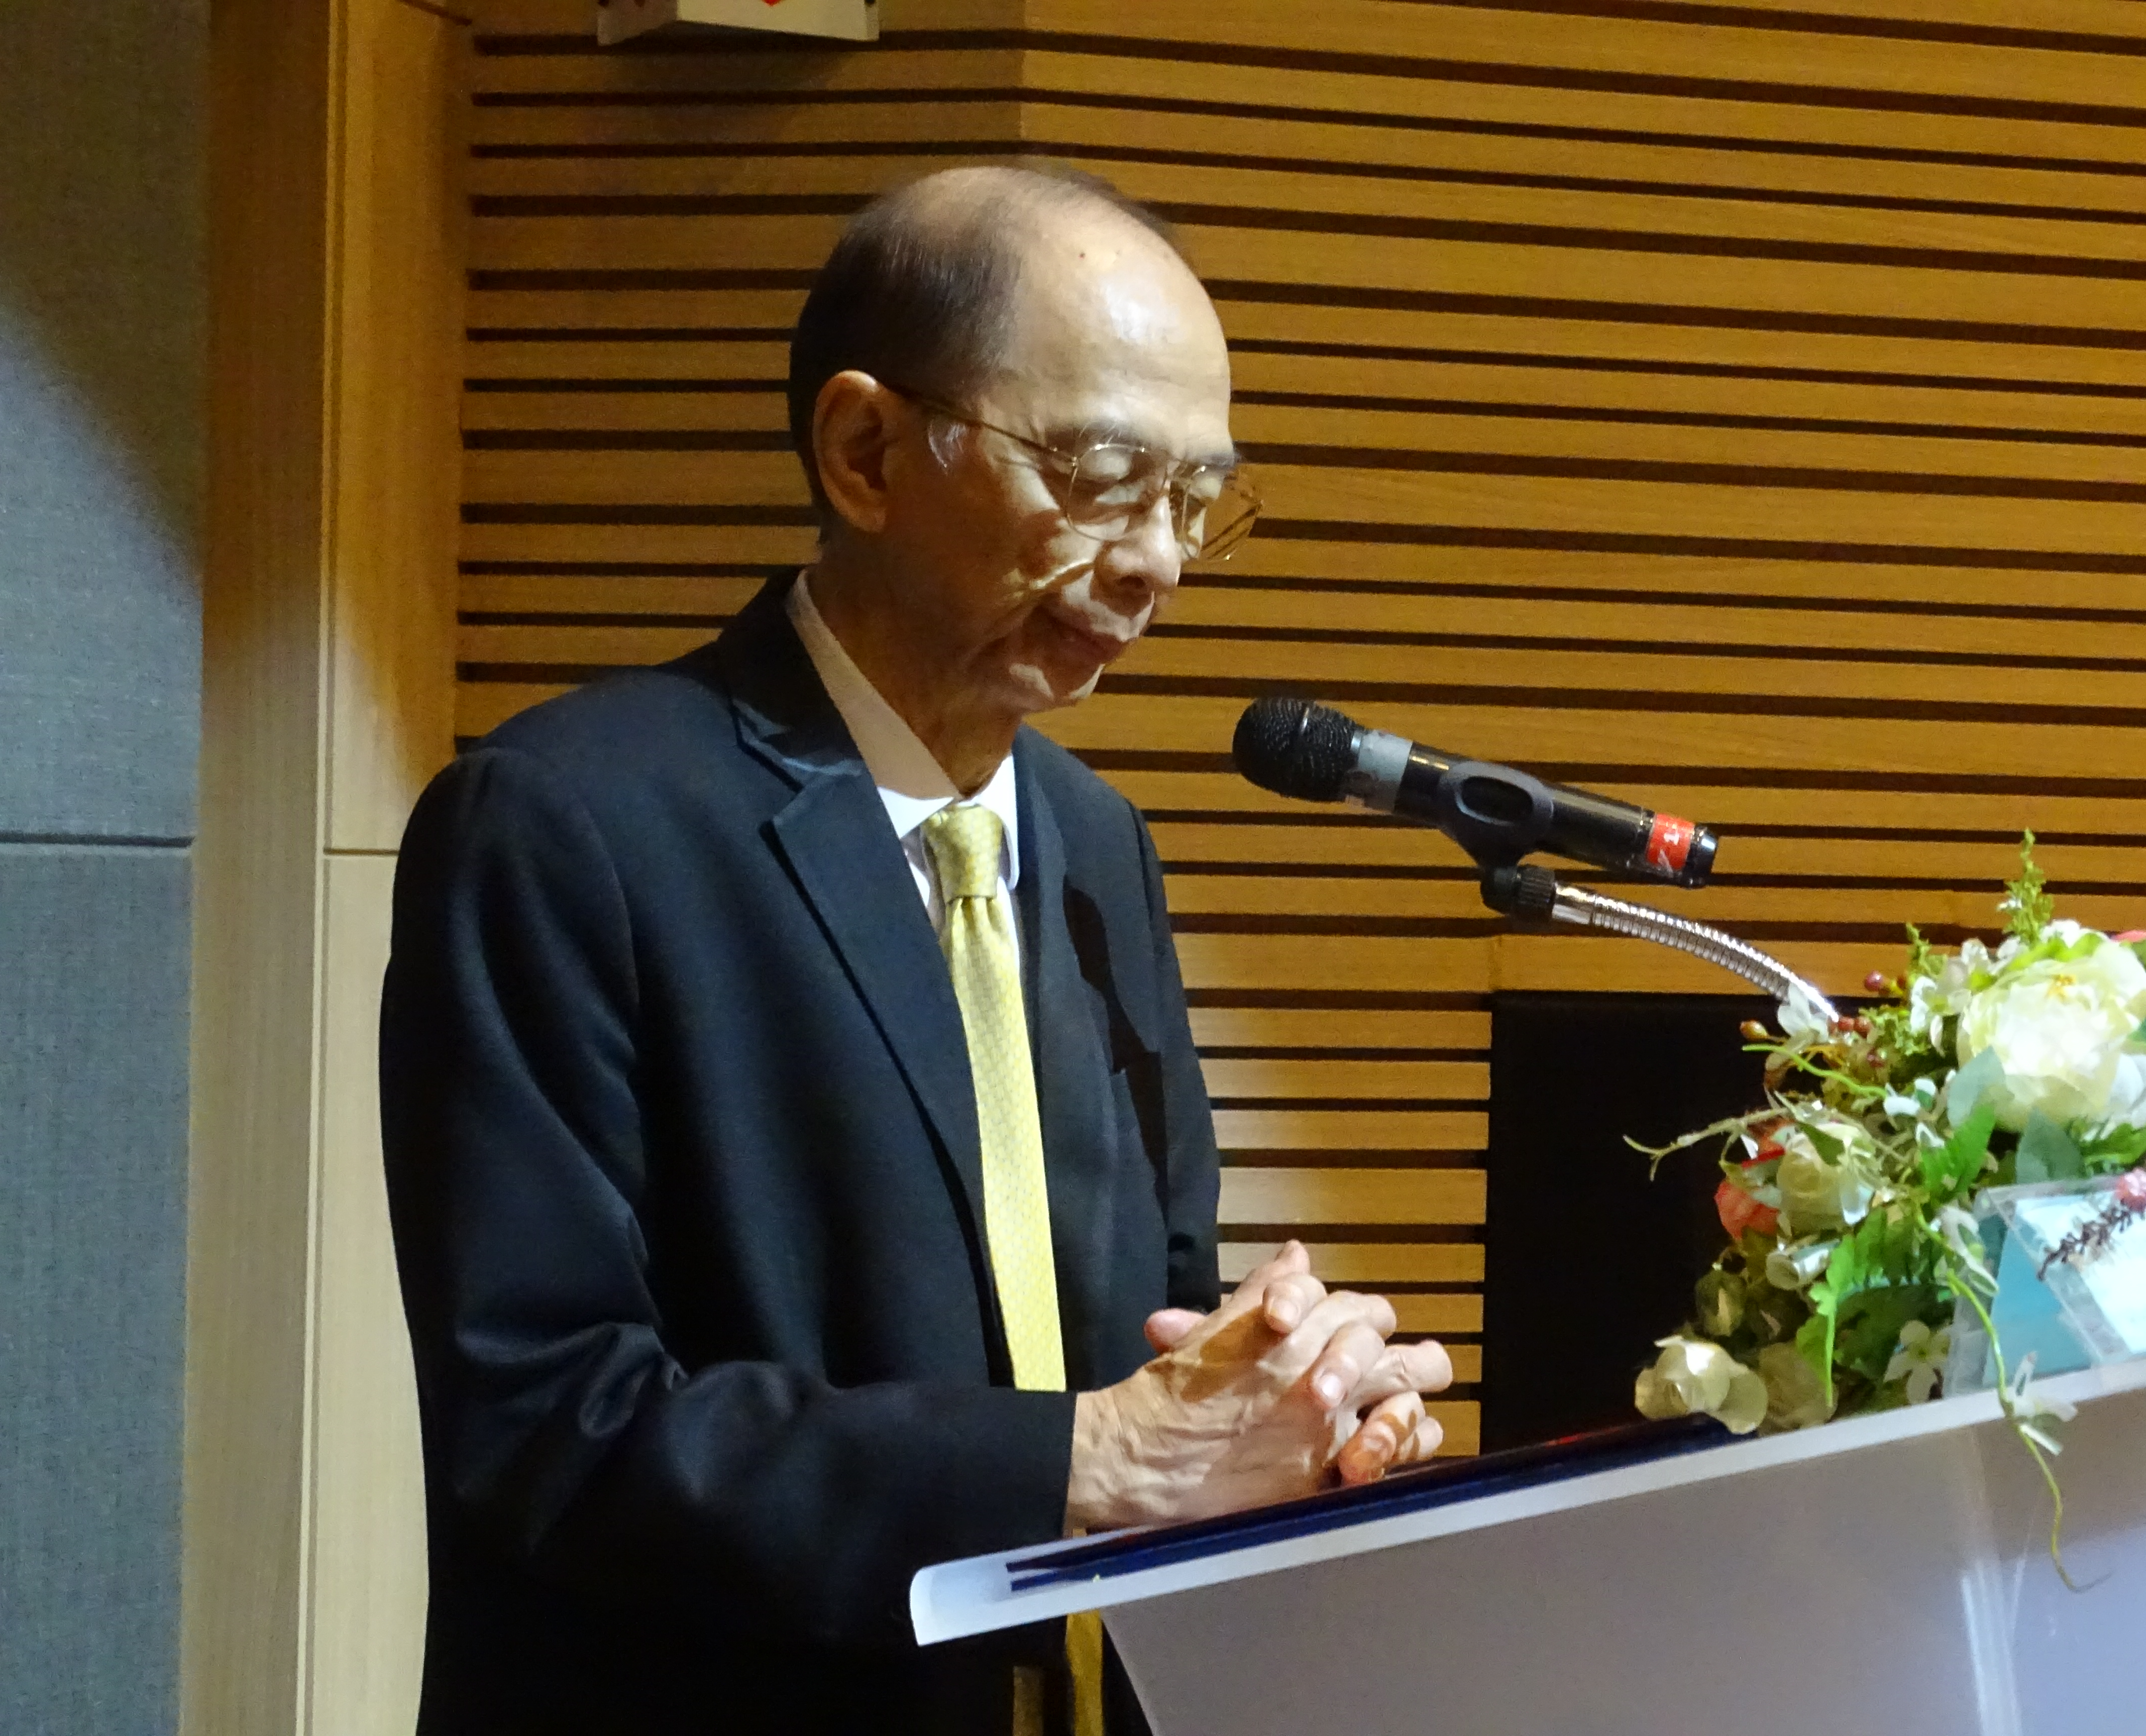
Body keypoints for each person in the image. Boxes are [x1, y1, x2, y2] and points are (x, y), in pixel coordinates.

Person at [380, 165, 1453, 1735]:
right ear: (867, 453)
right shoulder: (569, 824)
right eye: (1103, 476)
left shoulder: (1095, 844)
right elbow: (548, 1426)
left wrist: (1283, 1400)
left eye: (1197, 500)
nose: (1157, 562)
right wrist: (1086, 1463)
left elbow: (1123, 1338)